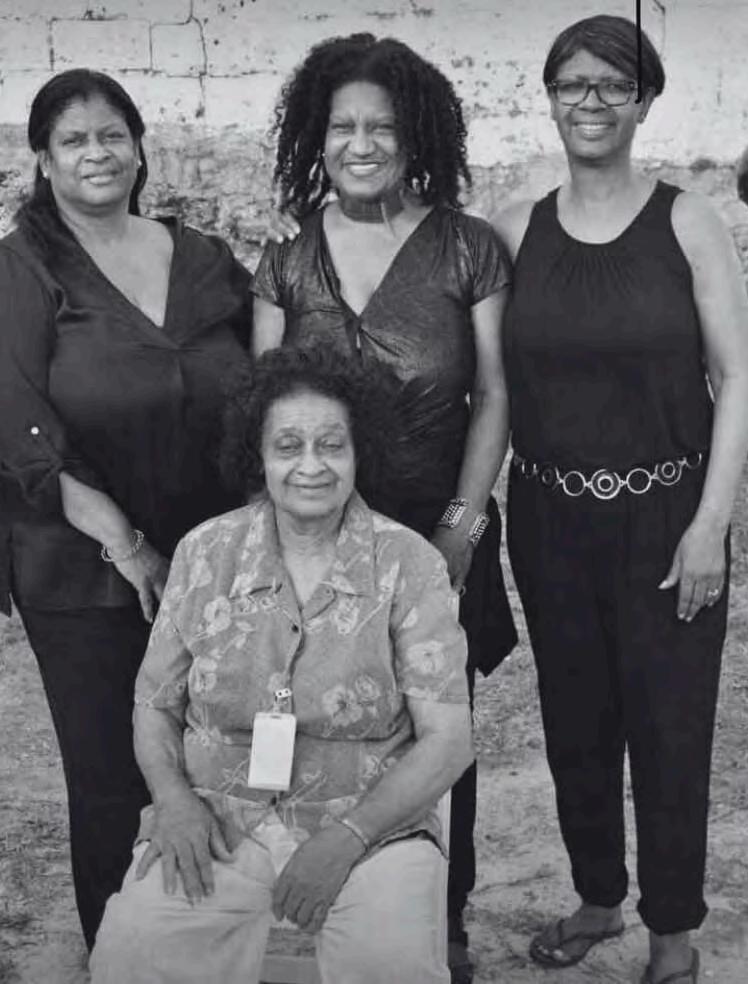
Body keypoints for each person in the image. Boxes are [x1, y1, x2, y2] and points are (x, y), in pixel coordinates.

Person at [252, 34, 517, 980]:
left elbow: (495, 394)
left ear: (419, 139)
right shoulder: (287, 258)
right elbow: (265, 409)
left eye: (384, 128)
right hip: (314, 538)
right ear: (315, 138)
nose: (361, 144)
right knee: (315, 723)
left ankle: (444, 922)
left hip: (439, 532)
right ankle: (319, 907)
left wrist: (461, 528)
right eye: (342, 127)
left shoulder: (468, 247)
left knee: (440, 732)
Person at [493, 15, 748, 984]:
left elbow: (738, 376)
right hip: (548, 517)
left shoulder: (688, 222)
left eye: (614, 84)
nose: (591, 101)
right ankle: (599, 896)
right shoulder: (512, 230)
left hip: (669, 517)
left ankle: (674, 934)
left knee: (671, 729)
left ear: (645, 102)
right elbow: (488, 382)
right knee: (576, 723)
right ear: (551, 98)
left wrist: (712, 523)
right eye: (573, 84)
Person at [88, 344, 473, 984]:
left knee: (391, 963)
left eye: (332, 445)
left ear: (360, 452)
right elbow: (153, 707)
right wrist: (174, 801)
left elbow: (448, 741)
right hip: (215, 819)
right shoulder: (204, 553)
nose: (311, 465)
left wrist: (348, 837)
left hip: (371, 828)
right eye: (288, 446)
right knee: (133, 950)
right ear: (258, 457)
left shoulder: (409, 564)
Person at [0, 69, 252, 949]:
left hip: (209, 555)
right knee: (112, 774)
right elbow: (17, 427)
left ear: (140, 148)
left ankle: (207, 944)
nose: (96, 154)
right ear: (43, 160)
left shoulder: (202, 255)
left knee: (213, 757)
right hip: (84, 566)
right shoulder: (20, 267)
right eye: (73, 140)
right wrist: (127, 543)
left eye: (112, 135)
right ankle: (120, 952)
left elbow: (268, 365)